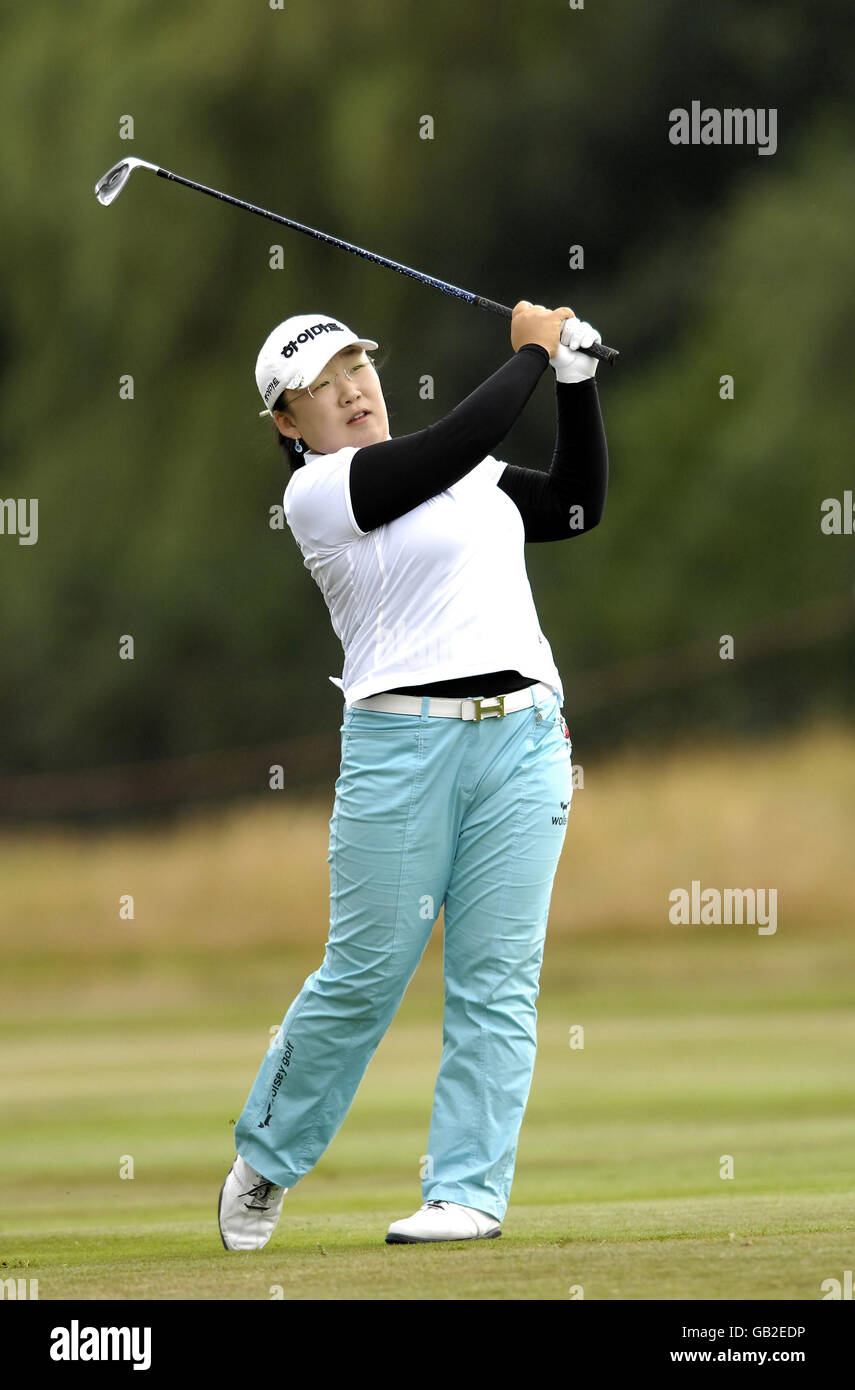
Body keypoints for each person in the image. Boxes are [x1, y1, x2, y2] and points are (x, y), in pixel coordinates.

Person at [218, 301, 609, 1249]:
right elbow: (451, 440)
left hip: (522, 743)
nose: (350, 390)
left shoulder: (469, 474)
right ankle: (267, 1156)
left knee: (497, 980)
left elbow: (573, 505)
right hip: (400, 751)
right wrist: (531, 350)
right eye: (320, 384)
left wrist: (576, 383)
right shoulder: (319, 494)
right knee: (364, 974)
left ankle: (465, 1193)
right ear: (287, 420)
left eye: (357, 366)